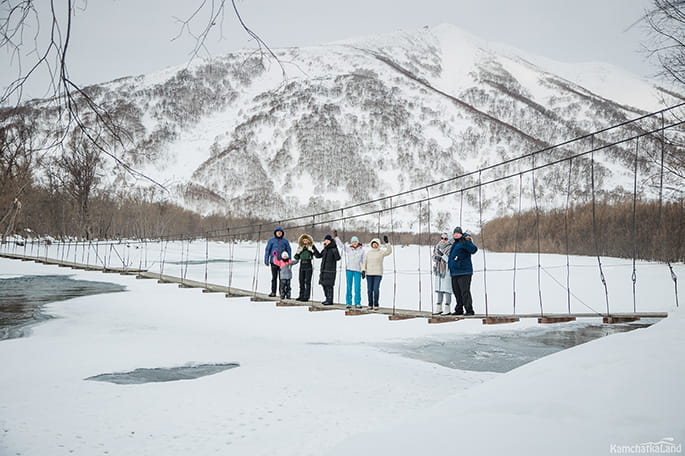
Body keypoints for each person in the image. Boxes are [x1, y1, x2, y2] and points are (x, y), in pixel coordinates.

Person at [448, 226, 478, 316]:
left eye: (457, 233)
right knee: (457, 292)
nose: (455, 235)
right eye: (454, 233)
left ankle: (469, 310)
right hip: (454, 272)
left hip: (464, 272)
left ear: (461, 234)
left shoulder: (464, 241)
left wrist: (467, 242)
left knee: (465, 291)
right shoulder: (455, 244)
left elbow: (474, 250)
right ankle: (459, 309)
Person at [333, 230, 364, 309]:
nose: (354, 243)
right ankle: (348, 303)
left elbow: (363, 261)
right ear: (351, 243)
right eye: (353, 242)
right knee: (349, 287)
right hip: (349, 270)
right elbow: (341, 245)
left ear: (358, 242)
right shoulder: (349, 249)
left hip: (357, 271)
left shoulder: (361, 251)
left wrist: (364, 270)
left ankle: (357, 303)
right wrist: (336, 237)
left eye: (355, 241)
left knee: (357, 287)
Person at [362, 235, 393, 310]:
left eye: (376, 244)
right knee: (369, 290)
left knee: (375, 289)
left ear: (378, 244)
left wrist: (387, 243)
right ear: (371, 244)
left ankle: (376, 304)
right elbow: (364, 262)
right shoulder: (368, 253)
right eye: (373, 243)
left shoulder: (381, 252)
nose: (374, 245)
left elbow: (389, 251)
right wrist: (363, 270)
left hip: (378, 274)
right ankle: (370, 304)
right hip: (369, 274)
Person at [264, 226, 292, 297]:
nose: (279, 233)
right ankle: (273, 292)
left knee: (282, 278)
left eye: (280, 232)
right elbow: (267, 250)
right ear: (275, 233)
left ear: (282, 233)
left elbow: (289, 250)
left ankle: (281, 292)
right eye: (277, 232)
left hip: (283, 263)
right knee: (274, 278)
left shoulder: (285, 241)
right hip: (274, 262)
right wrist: (266, 260)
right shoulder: (271, 241)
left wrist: (289, 261)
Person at [314, 234, 341, 305]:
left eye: (327, 240)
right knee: (324, 285)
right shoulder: (325, 249)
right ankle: (327, 298)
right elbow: (318, 256)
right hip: (323, 270)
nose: (326, 241)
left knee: (329, 286)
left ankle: (330, 300)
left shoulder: (333, 248)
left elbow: (338, 258)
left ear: (330, 241)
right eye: (325, 240)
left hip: (330, 271)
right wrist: (313, 248)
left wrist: (335, 250)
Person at [432, 232, 453, 315]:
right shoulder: (437, 246)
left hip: (446, 270)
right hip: (438, 270)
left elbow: (449, 260)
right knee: (439, 289)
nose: (443, 240)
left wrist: (442, 255)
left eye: (446, 239)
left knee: (447, 289)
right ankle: (438, 307)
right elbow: (433, 256)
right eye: (442, 238)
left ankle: (447, 308)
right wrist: (436, 258)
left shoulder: (451, 247)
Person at [294, 233, 318, 301]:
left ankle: (306, 296)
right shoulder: (300, 247)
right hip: (302, 264)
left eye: (306, 240)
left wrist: (312, 250)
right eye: (304, 240)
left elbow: (317, 255)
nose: (305, 241)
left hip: (308, 264)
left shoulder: (311, 247)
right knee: (301, 281)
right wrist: (298, 252)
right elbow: (296, 257)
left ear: (309, 240)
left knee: (307, 281)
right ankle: (301, 295)